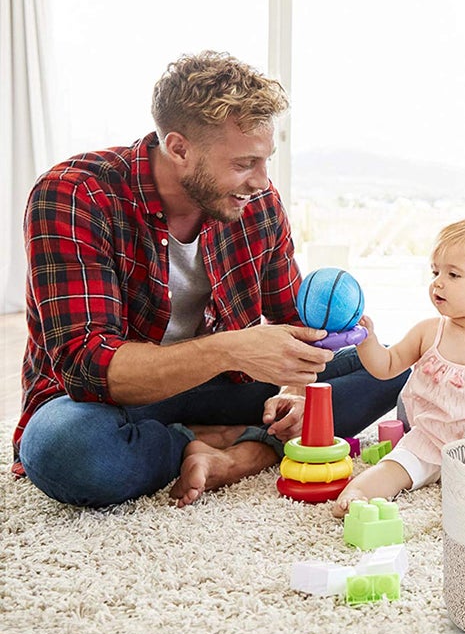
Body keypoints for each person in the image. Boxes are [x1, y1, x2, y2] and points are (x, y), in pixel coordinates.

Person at [13, 51, 409, 508]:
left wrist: (295, 388)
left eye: (265, 161)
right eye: (244, 164)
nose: (262, 181)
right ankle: (222, 444)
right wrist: (233, 348)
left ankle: (236, 452)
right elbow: (87, 365)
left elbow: (295, 323)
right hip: (109, 404)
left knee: (397, 365)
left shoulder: (256, 202)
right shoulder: (74, 194)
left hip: (224, 386)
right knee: (66, 449)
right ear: (179, 148)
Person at [333, 217, 465, 515]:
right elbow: (386, 366)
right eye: (436, 272)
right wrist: (368, 341)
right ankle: (358, 491)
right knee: (393, 467)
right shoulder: (428, 331)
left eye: (453, 274)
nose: (438, 282)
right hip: (429, 440)